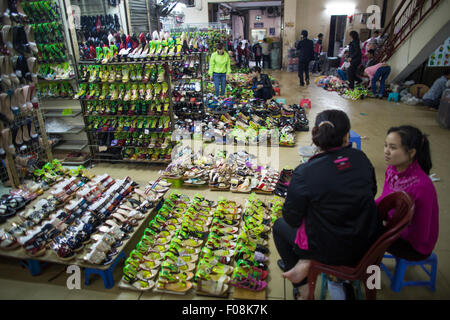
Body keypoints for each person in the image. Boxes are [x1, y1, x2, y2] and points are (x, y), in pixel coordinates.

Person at [273, 109, 382, 299]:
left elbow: (291, 217)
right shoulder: (361, 159)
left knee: (279, 226)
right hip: (368, 245)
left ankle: (303, 285)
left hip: (331, 250)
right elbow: (372, 192)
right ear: (347, 136)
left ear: (316, 134)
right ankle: (330, 276)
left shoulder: (305, 172)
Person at [377, 125, 439, 261]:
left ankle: (366, 278)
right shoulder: (392, 170)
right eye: (385, 145)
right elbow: (385, 199)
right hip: (394, 227)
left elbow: (420, 236)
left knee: (362, 236)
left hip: (414, 246)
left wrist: (388, 228)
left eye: (393, 147)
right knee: (356, 221)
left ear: (411, 153)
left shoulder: (422, 187)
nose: (386, 151)